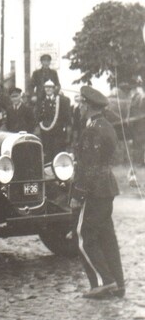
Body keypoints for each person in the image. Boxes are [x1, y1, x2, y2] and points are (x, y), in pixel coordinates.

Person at [70, 85, 125, 299]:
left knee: (84, 237)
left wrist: (78, 194)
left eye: (81, 103)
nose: (79, 107)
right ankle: (118, 284)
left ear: (88, 105)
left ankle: (104, 282)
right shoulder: (106, 126)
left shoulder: (92, 129)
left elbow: (89, 166)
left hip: (95, 190)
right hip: (107, 188)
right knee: (107, 237)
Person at [36, 80, 71, 164]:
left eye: (50, 87)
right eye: (46, 87)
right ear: (44, 89)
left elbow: (67, 118)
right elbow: (39, 117)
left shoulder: (62, 101)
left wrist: (68, 133)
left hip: (57, 134)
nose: (48, 89)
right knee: (47, 156)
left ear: (54, 88)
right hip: (45, 134)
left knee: (57, 156)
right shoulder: (41, 101)